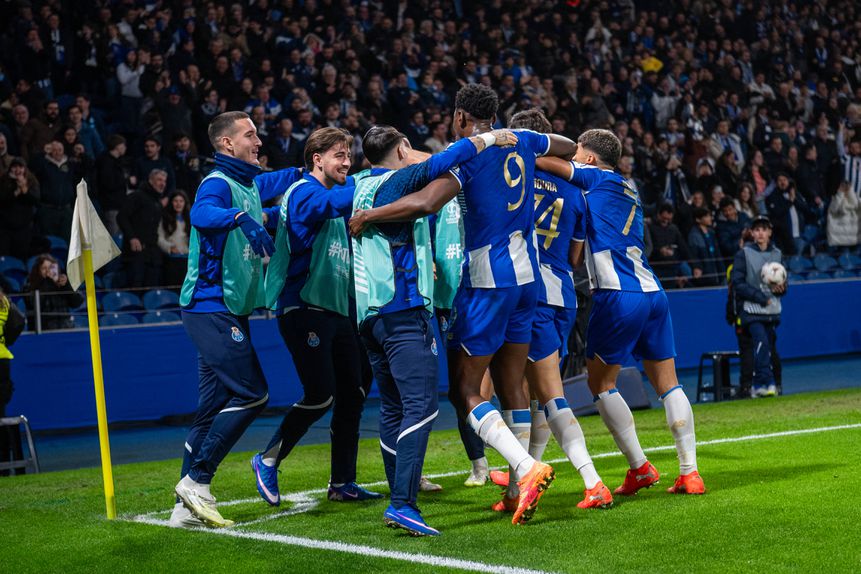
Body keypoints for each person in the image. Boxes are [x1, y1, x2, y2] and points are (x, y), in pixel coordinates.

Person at [349, 83, 579, 525]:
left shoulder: (469, 153)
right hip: (528, 277)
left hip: (488, 279)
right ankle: (515, 490)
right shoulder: (524, 140)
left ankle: (526, 469)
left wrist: (369, 215)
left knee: (465, 389)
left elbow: (426, 202)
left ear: (459, 118)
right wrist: (525, 140)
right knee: (513, 384)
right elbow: (569, 146)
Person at [351, 124, 516, 536]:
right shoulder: (396, 180)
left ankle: (398, 495)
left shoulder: (361, 188)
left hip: (370, 316)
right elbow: (445, 160)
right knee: (421, 407)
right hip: (403, 310)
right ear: (403, 148)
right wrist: (493, 138)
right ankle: (403, 503)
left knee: (392, 409)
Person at [536, 128, 705, 496]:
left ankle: (640, 467)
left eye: (577, 151)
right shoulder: (629, 187)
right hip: (652, 292)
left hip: (618, 294)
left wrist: (513, 152)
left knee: (600, 384)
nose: (573, 156)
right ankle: (689, 473)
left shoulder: (594, 177)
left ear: (591, 158)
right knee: (669, 384)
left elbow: (545, 162)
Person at [171, 111, 300, 529]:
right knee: (253, 393)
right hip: (210, 307)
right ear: (227, 144)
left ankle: (183, 509)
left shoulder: (247, 184)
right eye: (250, 134)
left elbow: (280, 180)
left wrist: (311, 168)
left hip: (232, 308)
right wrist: (241, 219)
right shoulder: (217, 184)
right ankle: (198, 480)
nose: (258, 139)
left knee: (210, 410)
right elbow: (201, 215)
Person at [487, 108, 612, 511]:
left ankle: (591, 481)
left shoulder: (513, 180)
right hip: (563, 296)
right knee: (536, 394)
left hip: (528, 293)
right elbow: (575, 255)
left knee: (538, 395)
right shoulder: (576, 192)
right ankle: (518, 487)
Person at [251, 127, 382, 508]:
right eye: (339, 155)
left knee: (354, 393)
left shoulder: (329, 197)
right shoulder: (307, 192)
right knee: (320, 394)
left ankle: (342, 482)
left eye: (349, 155)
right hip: (304, 308)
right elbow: (334, 204)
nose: (346, 162)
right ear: (317, 160)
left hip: (337, 312)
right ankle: (268, 458)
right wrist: (375, 176)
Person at [730, 215, 786, 398]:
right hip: (751, 310)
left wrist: (780, 289)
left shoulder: (777, 253)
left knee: (770, 346)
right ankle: (766, 382)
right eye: (757, 230)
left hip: (772, 311)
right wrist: (760, 297)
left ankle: (765, 383)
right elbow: (737, 282)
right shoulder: (744, 254)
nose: (761, 233)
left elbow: (784, 283)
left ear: (769, 232)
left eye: (764, 229)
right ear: (752, 233)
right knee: (761, 341)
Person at [117, 169, 168, 288]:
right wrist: (132, 237)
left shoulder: (157, 202)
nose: (162, 184)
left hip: (152, 255)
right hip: (135, 255)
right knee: (136, 288)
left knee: (152, 291)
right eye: (159, 180)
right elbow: (121, 216)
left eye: (164, 181)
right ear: (150, 181)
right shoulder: (137, 196)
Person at [23, 254, 83, 331]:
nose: (48, 271)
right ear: (38, 270)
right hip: (43, 330)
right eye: (44, 268)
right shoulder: (31, 285)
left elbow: (77, 302)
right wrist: (48, 281)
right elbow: (34, 304)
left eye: (51, 267)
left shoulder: (62, 283)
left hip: (65, 329)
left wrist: (66, 286)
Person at [0, 288, 24, 476]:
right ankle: (5, 464)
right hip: (3, 359)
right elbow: (19, 321)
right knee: (1, 415)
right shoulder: (5, 302)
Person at [0, 158, 40, 261]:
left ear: (24, 169)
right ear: (10, 168)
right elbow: (2, 201)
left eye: (20, 167)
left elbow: (35, 201)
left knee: (21, 257)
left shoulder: (32, 181)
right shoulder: (3, 180)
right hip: (5, 229)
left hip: (24, 229)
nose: (17, 170)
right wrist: (16, 192)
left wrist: (25, 190)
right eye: (14, 167)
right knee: (5, 258)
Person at [157, 190, 191, 288]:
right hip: (171, 261)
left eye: (181, 201)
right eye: (175, 201)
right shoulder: (165, 219)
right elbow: (159, 238)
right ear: (171, 203)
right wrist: (170, 248)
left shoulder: (190, 220)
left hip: (187, 261)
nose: (178, 204)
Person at [687, 207, 725, 287]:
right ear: (698, 219)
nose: (710, 218)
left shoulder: (711, 232)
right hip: (705, 275)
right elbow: (694, 255)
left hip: (717, 272)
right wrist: (697, 267)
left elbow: (717, 253)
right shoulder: (694, 235)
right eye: (706, 216)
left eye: (710, 216)